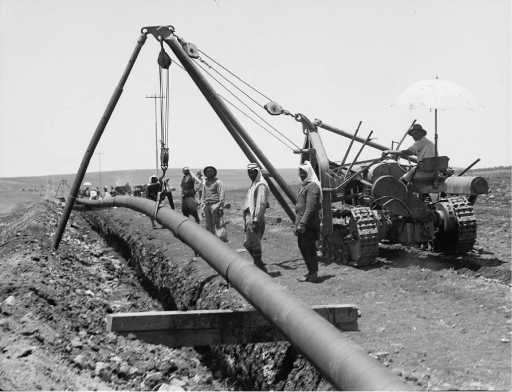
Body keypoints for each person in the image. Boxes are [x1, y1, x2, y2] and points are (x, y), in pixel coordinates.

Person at [294, 160, 322, 283]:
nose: (302, 174)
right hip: (304, 224)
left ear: (309, 172)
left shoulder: (312, 186)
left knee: (308, 249)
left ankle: (313, 274)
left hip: (308, 225)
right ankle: (311, 272)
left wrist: (302, 223)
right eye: (300, 172)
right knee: (305, 248)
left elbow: (311, 207)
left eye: (304, 172)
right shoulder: (305, 185)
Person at [243, 163, 270, 273]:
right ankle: (259, 263)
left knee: (253, 242)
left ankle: (260, 266)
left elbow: (261, 203)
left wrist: (255, 220)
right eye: (249, 172)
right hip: (250, 217)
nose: (251, 174)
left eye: (254, 172)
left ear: (258, 172)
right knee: (248, 243)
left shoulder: (260, 185)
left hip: (255, 217)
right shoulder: (254, 184)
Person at [201, 165, 226, 239]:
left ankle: (218, 240)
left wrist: (221, 207)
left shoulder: (218, 182)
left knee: (216, 223)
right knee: (208, 224)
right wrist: (202, 205)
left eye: (211, 171)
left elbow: (221, 195)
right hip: (207, 205)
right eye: (207, 171)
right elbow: (203, 194)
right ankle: (211, 240)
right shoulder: (205, 183)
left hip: (215, 204)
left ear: (214, 172)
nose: (209, 173)